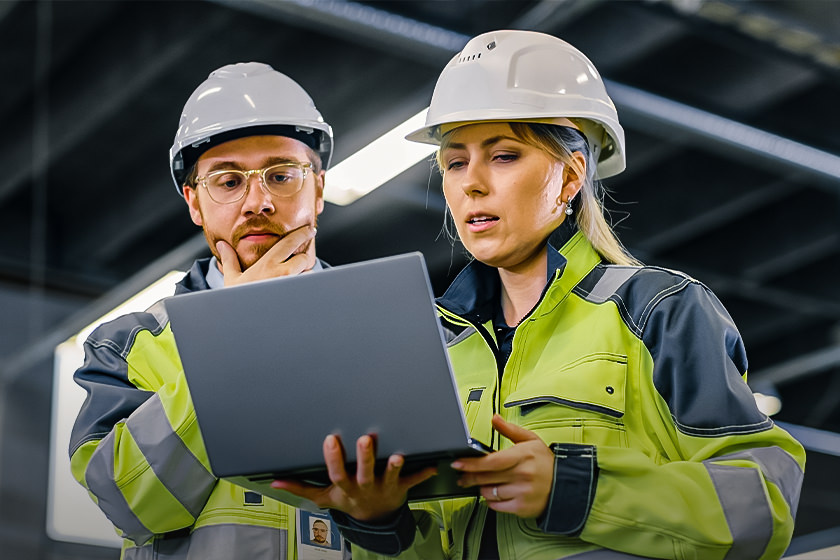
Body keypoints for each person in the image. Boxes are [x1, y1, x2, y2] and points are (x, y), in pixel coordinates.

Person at [271, 30, 807, 559]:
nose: (471, 183)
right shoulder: (431, 348)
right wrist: (378, 519)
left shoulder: (657, 312)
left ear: (571, 176)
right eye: (455, 162)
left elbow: (765, 506)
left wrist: (576, 490)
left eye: (503, 156)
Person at [69, 62, 337, 559]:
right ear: (194, 202)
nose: (258, 201)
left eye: (280, 175)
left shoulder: (400, 323)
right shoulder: (129, 345)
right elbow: (129, 505)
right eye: (229, 181)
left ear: (317, 188)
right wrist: (238, 332)